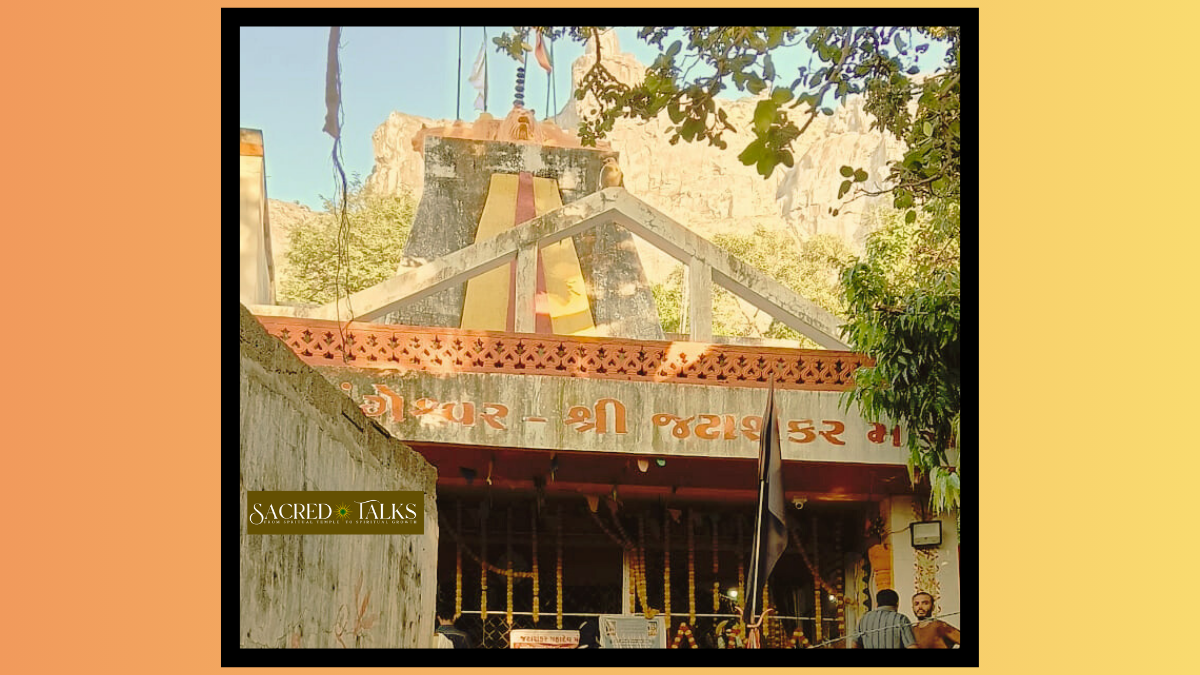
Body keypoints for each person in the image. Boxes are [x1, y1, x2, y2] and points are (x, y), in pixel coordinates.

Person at [850, 589, 918, 649]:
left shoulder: (864, 619)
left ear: (876, 604)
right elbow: (911, 646)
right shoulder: (901, 619)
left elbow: (855, 644)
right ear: (897, 604)